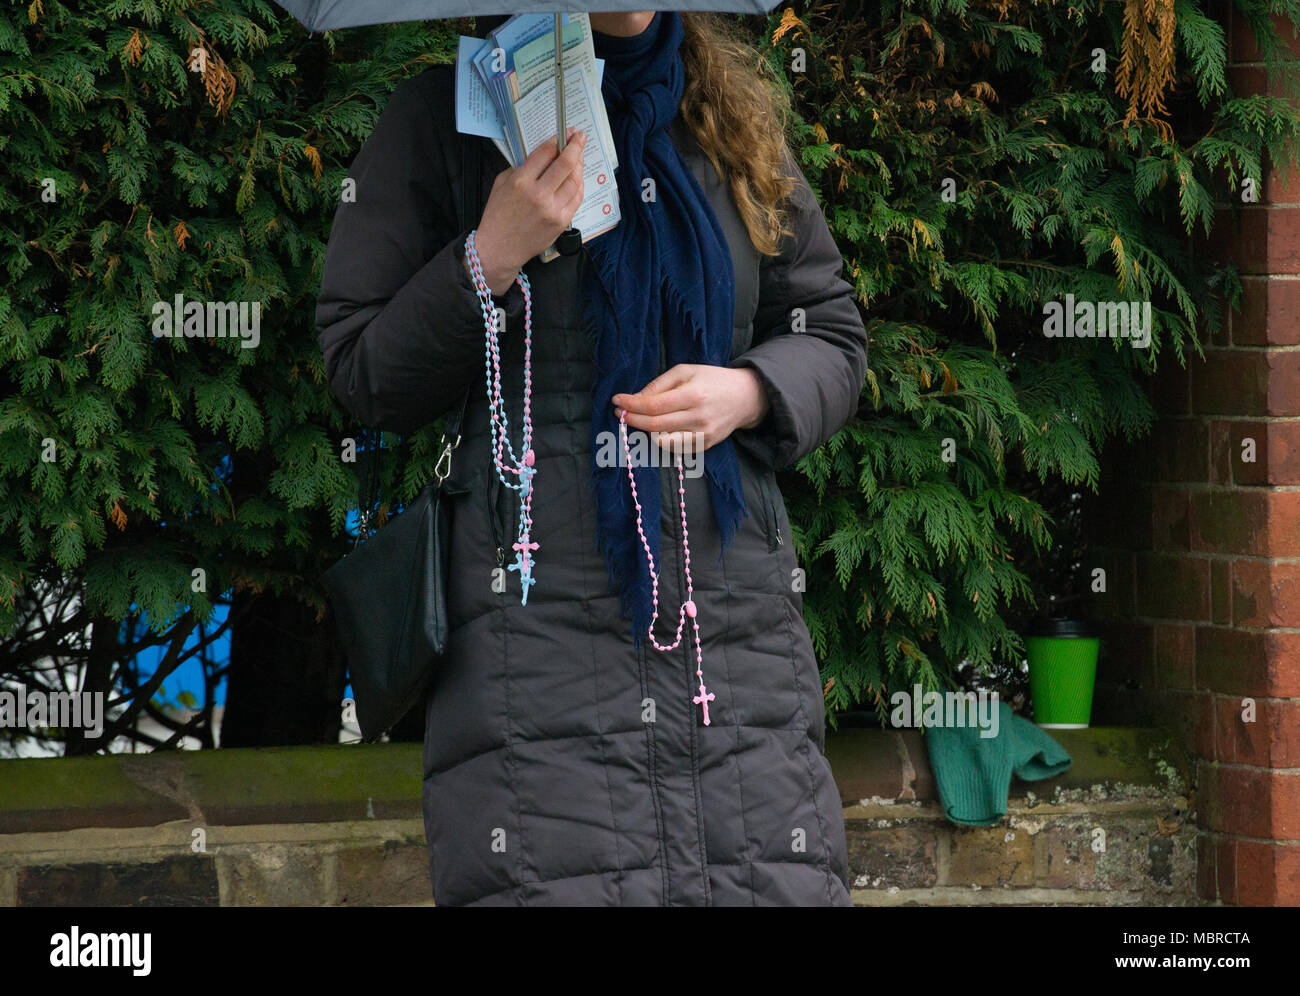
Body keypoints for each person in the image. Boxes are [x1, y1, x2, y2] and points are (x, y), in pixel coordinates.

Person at [316, 10, 868, 906]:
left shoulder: (726, 121)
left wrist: (752, 391)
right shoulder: (442, 124)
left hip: (731, 638)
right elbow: (365, 373)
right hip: (532, 643)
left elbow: (830, 332)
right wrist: (489, 255)